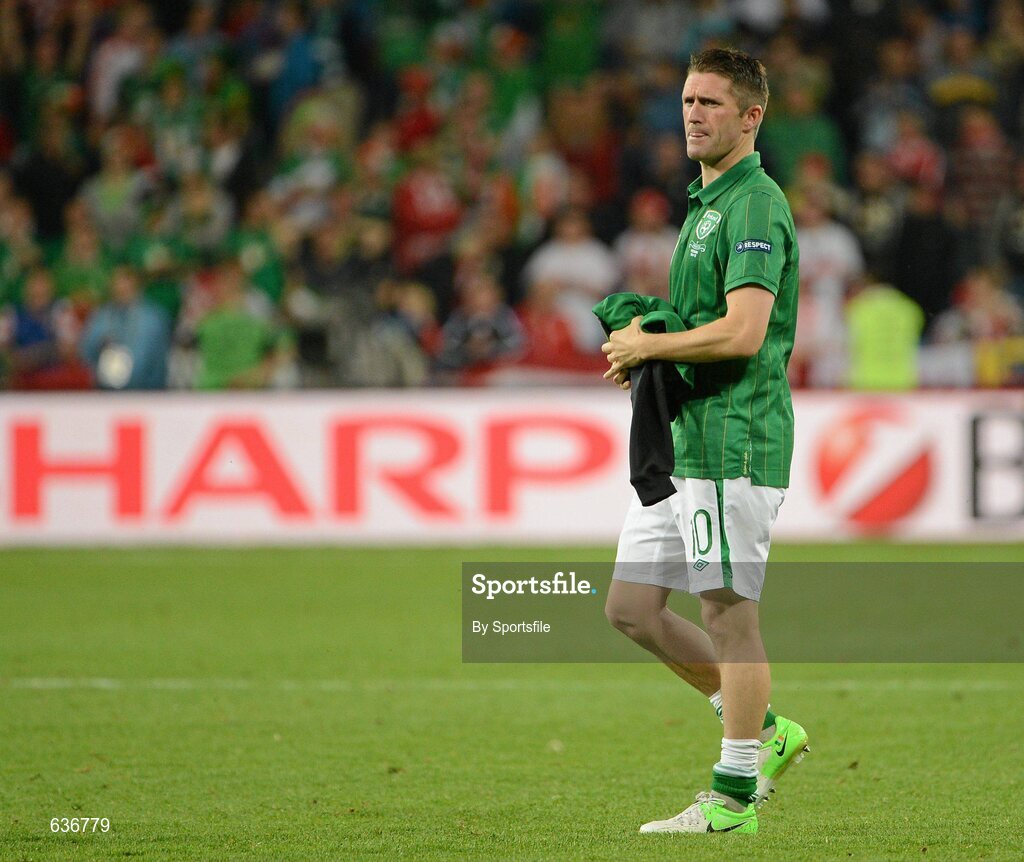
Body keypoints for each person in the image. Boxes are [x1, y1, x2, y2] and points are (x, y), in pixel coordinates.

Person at [601, 47, 807, 836]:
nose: (692, 114)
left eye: (711, 104)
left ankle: (733, 797)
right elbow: (703, 326)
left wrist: (654, 350)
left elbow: (746, 333)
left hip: (735, 440)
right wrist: (652, 344)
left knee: (728, 615)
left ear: (751, 117)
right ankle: (763, 727)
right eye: (688, 100)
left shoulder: (754, 203)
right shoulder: (706, 204)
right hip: (688, 438)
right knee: (630, 608)